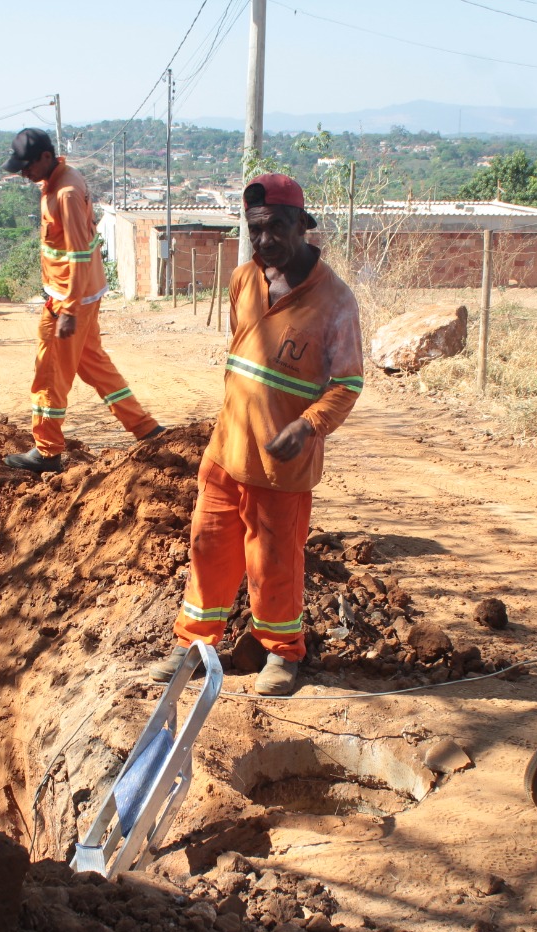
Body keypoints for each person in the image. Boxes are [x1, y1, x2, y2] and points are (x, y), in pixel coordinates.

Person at [150, 175, 363, 696]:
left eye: (277, 229)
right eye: (255, 230)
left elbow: (348, 383)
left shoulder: (335, 301)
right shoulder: (245, 279)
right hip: (226, 450)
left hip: (281, 464)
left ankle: (283, 653)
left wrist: (308, 424)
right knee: (208, 546)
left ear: (303, 227)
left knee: (274, 564)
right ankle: (194, 646)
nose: (265, 242)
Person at [0, 127, 161, 473]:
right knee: (95, 365)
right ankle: (147, 429)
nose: (24, 173)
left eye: (27, 166)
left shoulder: (67, 193)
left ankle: (47, 452)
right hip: (80, 295)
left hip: (69, 301)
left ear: (46, 158)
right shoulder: (59, 180)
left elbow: (77, 255)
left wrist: (68, 311)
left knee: (50, 374)